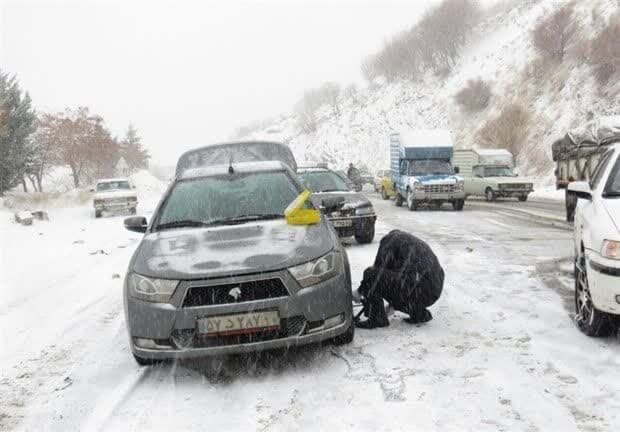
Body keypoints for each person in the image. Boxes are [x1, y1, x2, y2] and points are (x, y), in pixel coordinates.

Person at [355, 230, 444, 329]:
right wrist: (393, 305)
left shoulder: (388, 241)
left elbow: (376, 272)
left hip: (418, 286)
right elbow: (398, 277)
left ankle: (377, 319)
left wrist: (360, 291)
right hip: (433, 290)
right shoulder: (408, 244)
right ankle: (419, 314)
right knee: (406, 283)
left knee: (370, 273)